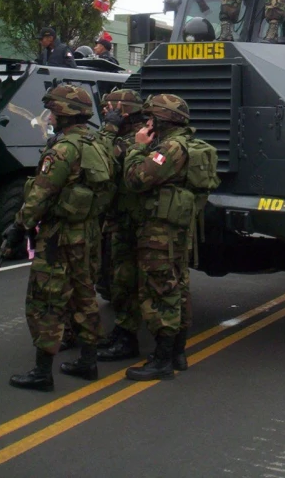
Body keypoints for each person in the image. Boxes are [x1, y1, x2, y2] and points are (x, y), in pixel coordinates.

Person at [2, 85, 114, 391]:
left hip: (60, 236)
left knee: (47, 300)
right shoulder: (97, 144)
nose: (50, 116)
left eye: (54, 110)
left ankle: (42, 372)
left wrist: (19, 226)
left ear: (65, 113)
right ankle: (88, 362)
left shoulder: (63, 149)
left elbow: (40, 194)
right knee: (84, 296)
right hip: (88, 232)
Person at [121, 94, 201, 381]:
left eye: (151, 118)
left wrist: (136, 147)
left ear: (163, 120)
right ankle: (177, 353)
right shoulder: (186, 143)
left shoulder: (168, 149)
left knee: (160, 288)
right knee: (177, 286)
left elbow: (136, 179)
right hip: (175, 229)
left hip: (160, 231)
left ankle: (163, 360)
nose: (147, 123)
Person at [95, 89, 147, 362]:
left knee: (126, 281)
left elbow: (98, 160)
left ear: (123, 111)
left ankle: (128, 339)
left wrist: (109, 128)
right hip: (121, 219)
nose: (105, 113)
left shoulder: (131, 140)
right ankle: (122, 331)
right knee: (118, 279)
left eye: (110, 110)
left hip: (132, 222)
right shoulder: (129, 137)